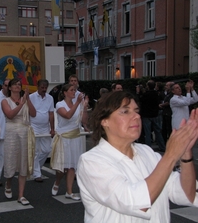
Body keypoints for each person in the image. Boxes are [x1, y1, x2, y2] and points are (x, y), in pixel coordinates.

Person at [77, 91, 198, 223]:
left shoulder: (147, 152)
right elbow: (135, 202)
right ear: (104, 121)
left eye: (136, 111)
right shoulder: (91, 161)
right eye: (125, 111)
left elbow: (186, 193)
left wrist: (186, 154)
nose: (136, 116)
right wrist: (171, 155)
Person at [50, 84, 89, 201]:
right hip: (64, 138)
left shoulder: (78, 104)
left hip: (75, 137)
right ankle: (57, 181)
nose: (74, 92)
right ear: (65, 93)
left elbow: (84, 121)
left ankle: (69, 191)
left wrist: (85, 108)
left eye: (75, 90)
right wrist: (77, 103)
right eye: (71, 90)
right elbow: (67, 115)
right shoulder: (59, 104)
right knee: (62, 166)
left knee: (72, 165)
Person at [1, 78, 36, 205]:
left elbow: (33, 113)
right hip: (11, 131)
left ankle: (21, 195)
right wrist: (21, 104)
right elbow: (10, 115)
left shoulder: (25, 100)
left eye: (19, 84)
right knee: (11, 160)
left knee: (23, 162)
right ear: (9, 88)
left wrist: (28, 100)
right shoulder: (5, 101)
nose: (17, 86)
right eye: (14, 84)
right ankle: (8, 183)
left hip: (24, 131)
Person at [29, 79, 55, 182]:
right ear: (37, 87)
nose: (44, 89)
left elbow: (51, 114)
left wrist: (52, 128)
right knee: (35, 151)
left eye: (45, 87)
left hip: (45, 127)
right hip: (34, 126)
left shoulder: (50, 98)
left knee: (47, 150)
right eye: (42, 87)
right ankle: (37, 174)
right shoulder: (31, 97)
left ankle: (35, 168)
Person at [136, 80, 166, 152]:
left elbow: (140, 100)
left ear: (148, 86)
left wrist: (138, 92)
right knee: (158, 131)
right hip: (155, 114)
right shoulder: (156, 94)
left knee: (147, 132)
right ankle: (162, 146)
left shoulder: (146, 94)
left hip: (146, 115)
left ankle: (148, 149)